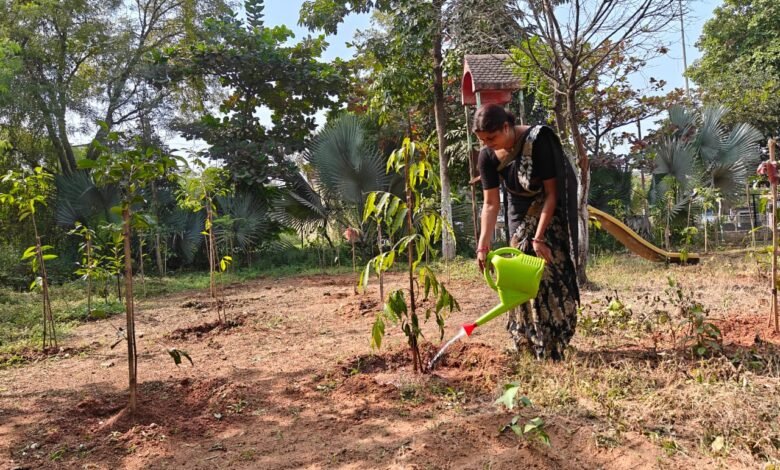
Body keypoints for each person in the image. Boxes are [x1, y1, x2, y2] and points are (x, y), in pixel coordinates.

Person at [474, 103, 579, 361]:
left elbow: (553, 194)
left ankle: (555, 342)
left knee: (549, 277)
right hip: (518, 216)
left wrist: (539, 237)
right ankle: (527, 341)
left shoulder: (538, 141)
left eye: (492, 137)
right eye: (482, 140)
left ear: (507, 127)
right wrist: (482, 245)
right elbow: (490, 204)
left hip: (549, 214)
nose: (487, 144)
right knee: (518, 277)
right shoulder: (487, 156)